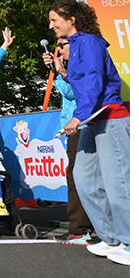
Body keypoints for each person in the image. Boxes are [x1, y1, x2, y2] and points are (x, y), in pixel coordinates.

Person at [49, 0, 130, 266]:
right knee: (83, 179)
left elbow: (94, 81)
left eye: (54, 20)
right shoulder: (76, 47)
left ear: (71, 19)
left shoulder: (91, 43)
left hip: (109, 117)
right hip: (91, 121)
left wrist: (78, 116)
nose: (51, 26)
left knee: (117, 182)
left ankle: (133, 240)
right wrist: (62, 71)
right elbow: (81, 85)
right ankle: (111, 237)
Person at [42, 37, 94, 245]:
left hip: (80, 126)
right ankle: (84, 227)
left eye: (63, 45)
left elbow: (73, 93)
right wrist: (57, 71)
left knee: (77, 178)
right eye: (58, 46)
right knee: (81, 178)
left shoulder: (81, 66)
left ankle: (79, 229)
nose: (59, 49)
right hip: (75, 127)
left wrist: (62, 72)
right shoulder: (72, 66)